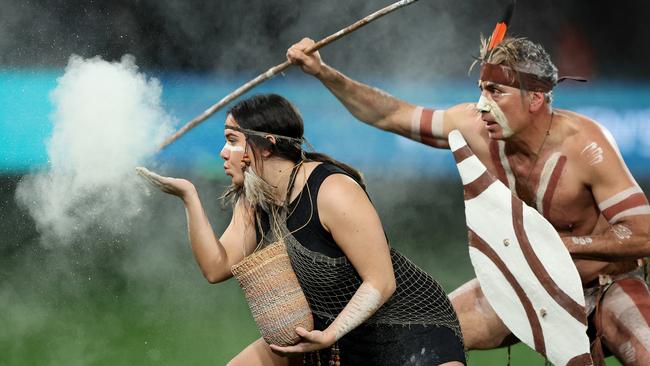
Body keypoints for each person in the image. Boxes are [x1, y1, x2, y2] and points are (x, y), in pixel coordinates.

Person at [286, 36, 650, 365]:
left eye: (496, 92)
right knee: (420, 339)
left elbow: (644, 235)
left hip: (604, 288)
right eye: (481, 90)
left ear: (535, 98)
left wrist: (558, 245)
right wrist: (323, 72)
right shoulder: (474, 128)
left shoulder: (586, 146)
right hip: (521, 284)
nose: (482, 105)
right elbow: (389, 114)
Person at [137, 93, 465, 366]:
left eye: (232, 141)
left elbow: (381, 281)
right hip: (331, 334)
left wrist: (331, 334)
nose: (223, 152)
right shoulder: (255, 199)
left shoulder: (332, 190)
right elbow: (216, 266)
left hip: (406, 328)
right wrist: (188, 197)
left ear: (265, 146)